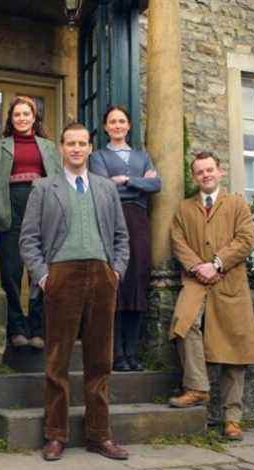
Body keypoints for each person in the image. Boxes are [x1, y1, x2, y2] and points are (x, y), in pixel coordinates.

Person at [19, 122, 130, 461]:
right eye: (70, 143)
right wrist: (43, 276)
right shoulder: (43, 187)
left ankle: (100, 435)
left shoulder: (105, 188)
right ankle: (55, 435)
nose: (77, 149)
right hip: (61, 276)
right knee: (57, 360)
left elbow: (121, 237)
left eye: (83, 143)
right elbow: (29, 239)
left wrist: (116, 272)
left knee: (100, 360)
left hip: (101, 275)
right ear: (61, 148)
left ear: (90, 148)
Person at [168, 151, 254, 441]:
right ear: (194, 177)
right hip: (196, 280)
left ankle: (232, 418)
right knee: (183, 324)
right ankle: (197, 388)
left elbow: (245, 241)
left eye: (210, 170)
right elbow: (177, 240)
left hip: (229, 280)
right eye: (200, 172)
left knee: (235, 349)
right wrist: (198, 266)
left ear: (220, 172)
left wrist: (217, 263)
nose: (205, 175)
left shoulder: (237, 205)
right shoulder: (184, 209)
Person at [90, 105, 161, 372]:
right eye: (112, 122)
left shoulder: (143, 156)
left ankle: (132, 353)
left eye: (122, 121)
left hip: (139, 221)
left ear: (129, 126)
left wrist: (124, 180)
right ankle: (116, 354)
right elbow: (102, 186)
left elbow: (156, 185)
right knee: (115, 281)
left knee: (137, 281)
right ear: (106, 127)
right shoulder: (98, 156)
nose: (117, 126)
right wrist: (138, 182)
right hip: (112, 219)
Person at [0, 96, 62, 350]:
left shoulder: (49, 147)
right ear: (11, 119)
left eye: (26, 114)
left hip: (41, 208)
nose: (21, 118)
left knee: (39, 271)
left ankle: (38, 328)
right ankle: (16, 329)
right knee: (11, 271)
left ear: (34, 117)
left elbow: (58, 179)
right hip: (10, 208)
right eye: (17, 114)